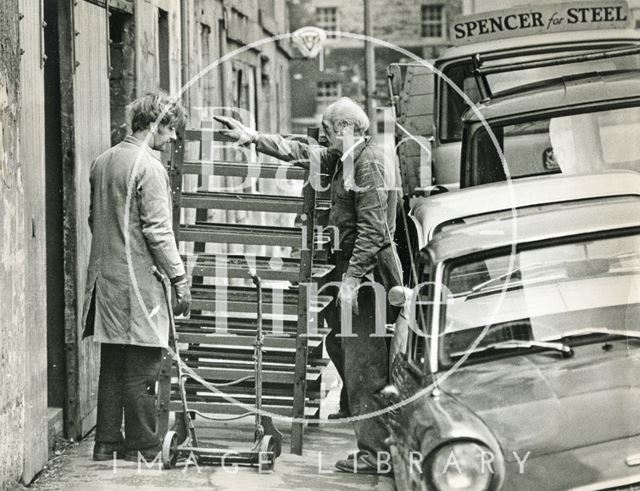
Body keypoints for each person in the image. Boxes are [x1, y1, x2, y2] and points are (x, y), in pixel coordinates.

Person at [215, 97, 402, 475]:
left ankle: (376, 453)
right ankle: (366, 422)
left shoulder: (369, 164)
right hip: (350, 269)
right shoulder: (346, 157)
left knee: (364, 362)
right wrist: (253, 138)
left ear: (348, 128)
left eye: (331, 131)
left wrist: (351, 280)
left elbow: (374, 230)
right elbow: (302, 151)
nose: (327, 138)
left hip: (367, 276)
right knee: (341, 344)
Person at [82, 92, 192, 462]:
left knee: (113, 361)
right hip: (138, 280)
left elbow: (93, 220)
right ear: (155, 125)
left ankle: (106, 443)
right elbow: (158, 231)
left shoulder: (103, 161)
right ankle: (144, 446)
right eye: (171, 129)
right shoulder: (150, 167)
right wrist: (179, 279)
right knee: (144, 364)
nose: (173, 138)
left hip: (105, 279)